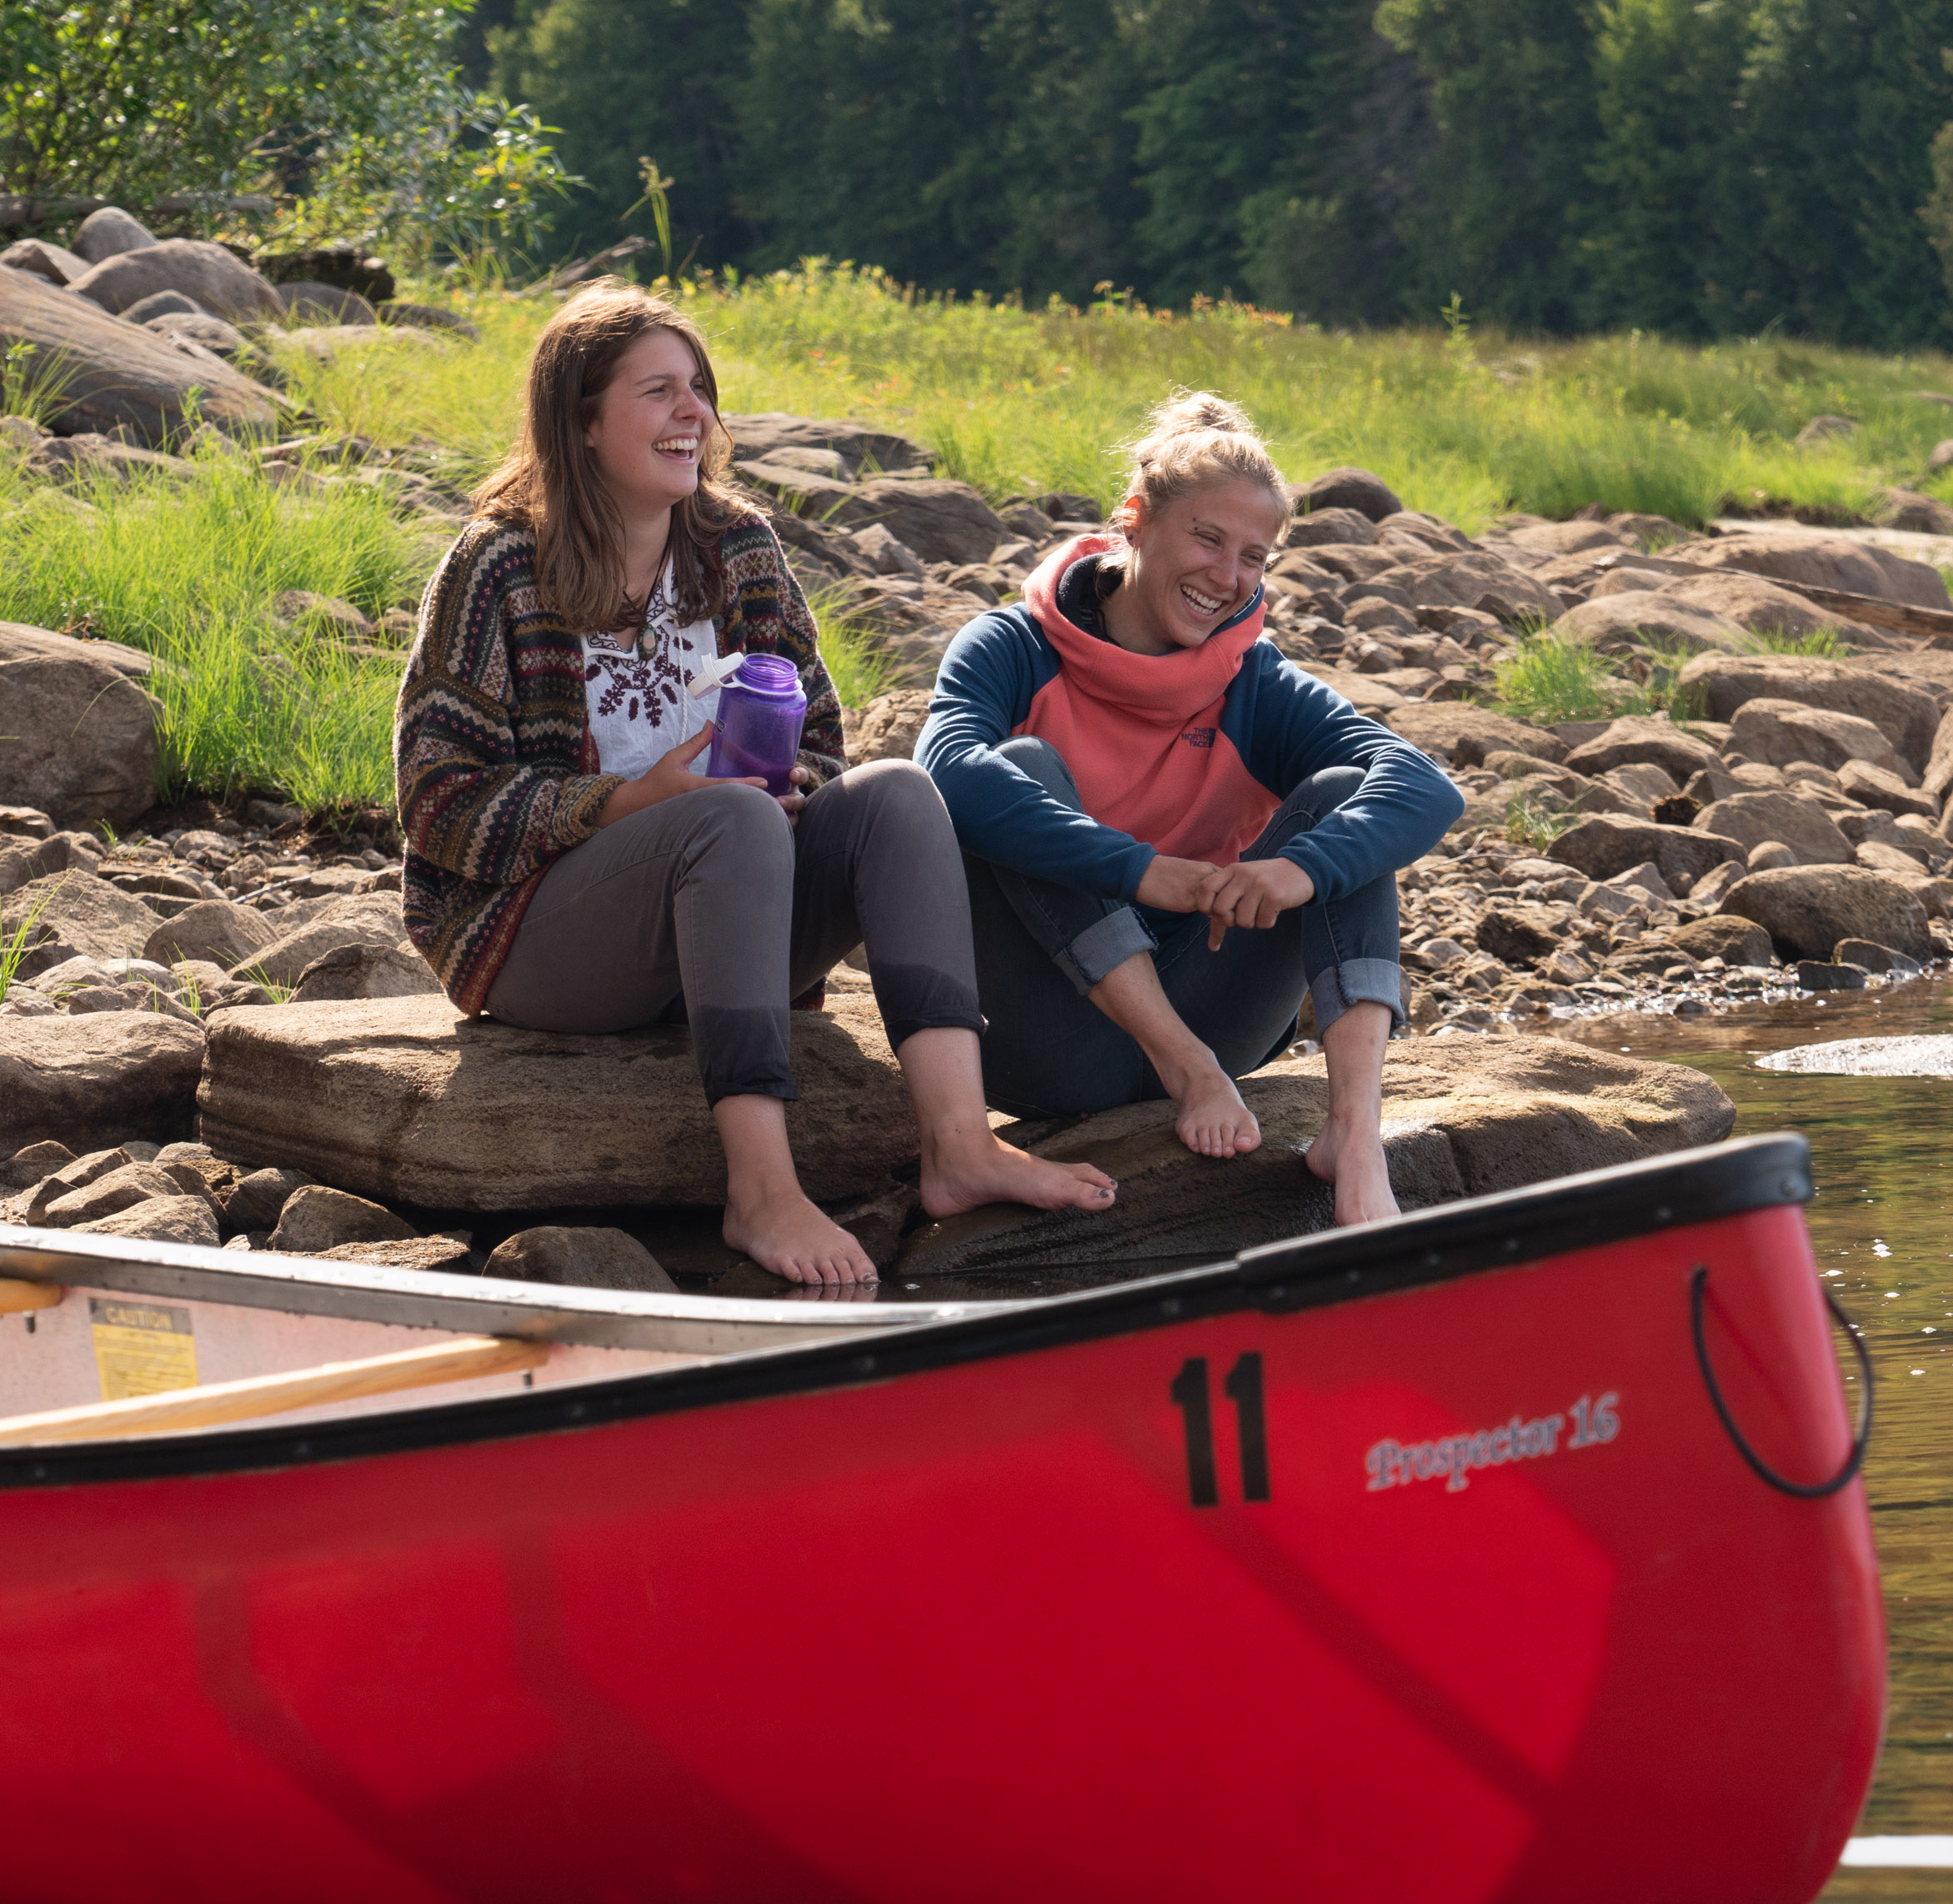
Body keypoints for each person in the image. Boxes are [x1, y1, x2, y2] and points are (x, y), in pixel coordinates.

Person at [392, 283, 1114, 1286]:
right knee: (725, 817)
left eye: (700, 389)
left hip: (730, 898)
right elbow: (436, 802)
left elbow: (822, 737)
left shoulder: (738, 549)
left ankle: (959, 1144)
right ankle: (762, 1190)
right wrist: (625, 803)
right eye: (658, 392)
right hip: (532, 938)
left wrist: (792, 790)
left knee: (900, 793)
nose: (694, 413)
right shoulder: (500, 565)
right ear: (583, 422)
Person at [919, 391, 1460, 1225]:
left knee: (1345, 802)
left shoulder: (1255, 681)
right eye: (1206, 537)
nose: (1227, 576)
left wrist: (1296, 870)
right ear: (1132, 520)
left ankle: (1352, 1139)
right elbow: (944, 769)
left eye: (1254, 555)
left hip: (1219, 1014)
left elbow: (1424, 785)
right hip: (1046, 1039)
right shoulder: (1010, 646)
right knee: (1015, 768)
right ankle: (1180, 1066)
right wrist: (1139, 871)